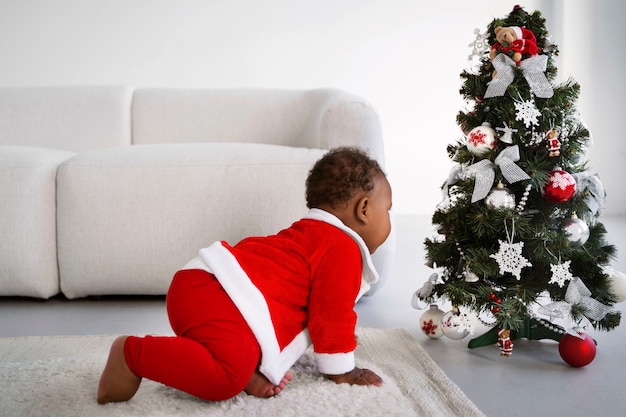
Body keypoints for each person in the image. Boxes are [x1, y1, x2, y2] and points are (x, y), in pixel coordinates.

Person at [97, 146, 392, 404]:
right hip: (218, 292)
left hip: (205, 285)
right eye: (388, 210)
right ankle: (132, 355)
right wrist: (344, 370)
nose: (389, 219)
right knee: (225, 379)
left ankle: (250, 370)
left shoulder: (310, 236)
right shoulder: (342, 247)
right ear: (364, 209)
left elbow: (281, 311)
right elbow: (331, 314)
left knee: (238, 353)